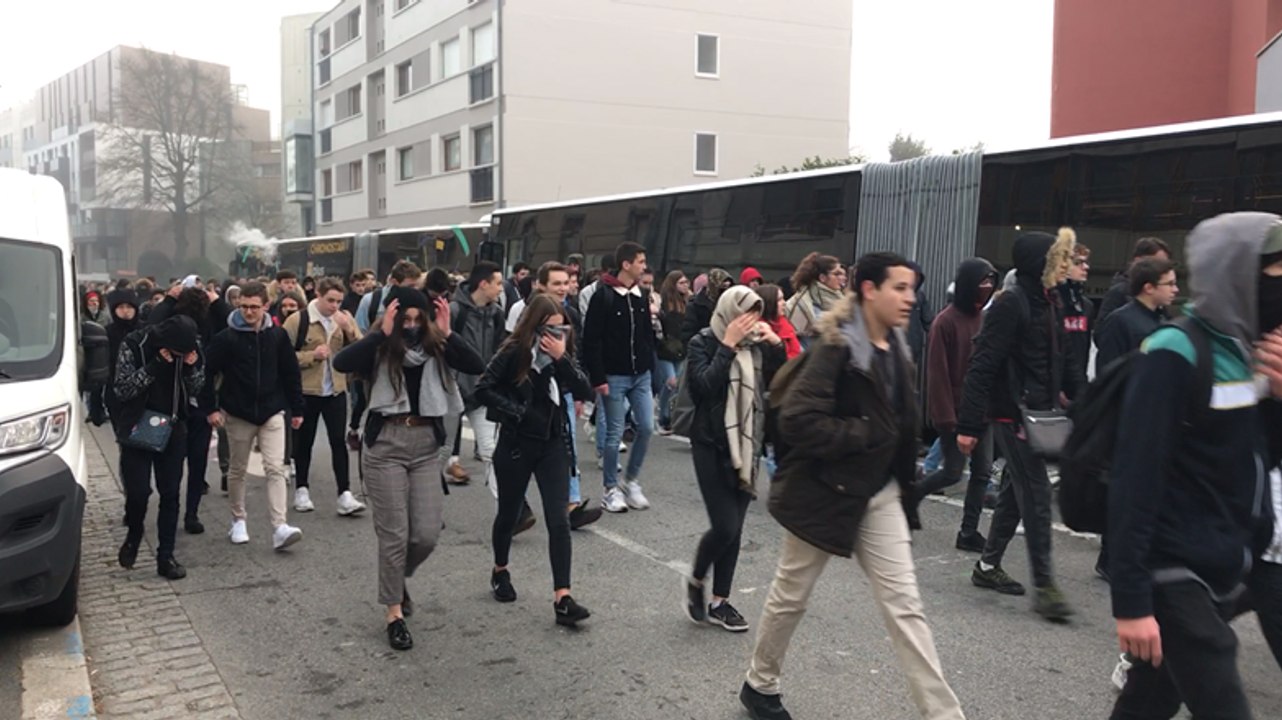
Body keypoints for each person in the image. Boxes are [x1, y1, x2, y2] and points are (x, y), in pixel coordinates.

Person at [741, 253, 965, 720]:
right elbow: (800, 419)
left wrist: (908, 483)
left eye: (912, 289)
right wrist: (862, 434)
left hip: (879, 494)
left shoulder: (897, 349)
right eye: (900, 288)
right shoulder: (837, 346)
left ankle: (944, 715)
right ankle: (760, 683)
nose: (910, 298)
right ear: (868, 290)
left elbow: (900, 429)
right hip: (824, 490)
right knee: (791, 594)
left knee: (905, 607)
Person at [1108, 213, 1282, 720]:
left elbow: (1259, 458)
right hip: (1174, 571)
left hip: (1226, 563)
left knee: (1148, 702)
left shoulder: (1246, 353)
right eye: (1276, 270)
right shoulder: (1174, 350)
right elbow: (1133, 479)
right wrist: (1133, 601)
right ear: (1235, 272)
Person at [332, 287, 485, 651]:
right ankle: (394, 613)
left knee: (427, 534)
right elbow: (342, 363)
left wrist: (448, 333)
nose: (413, 326)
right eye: (407, 320)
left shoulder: (437, 344)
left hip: (424, 445)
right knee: (394, 535)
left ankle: (396, 577)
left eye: (419, 319)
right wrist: (380, 334)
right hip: (385, 443)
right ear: (394, 317)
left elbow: (476, 365)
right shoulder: (380, 344)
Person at [956, 229, 1085, 621]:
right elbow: (982, 366)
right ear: (1040, 263)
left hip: (1042, 414)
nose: (1067, 266)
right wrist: (969, 425)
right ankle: (1046, 586)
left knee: (1016, 492)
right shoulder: (1011, 304)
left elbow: (1061, 361)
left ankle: (987, 566)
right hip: (1012, 415)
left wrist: (1080, 398)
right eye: (1059, 259)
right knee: (1037, 493)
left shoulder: (1052, 302)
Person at [476, 294, 595, 626]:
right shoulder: (515, 352)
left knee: (558, 520)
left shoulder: (561, 355)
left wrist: (561, 359)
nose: (558, 336)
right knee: (509, 513)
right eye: (552, 330)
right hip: (517, 444)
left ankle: (563, 597)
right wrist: (518, 412)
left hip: (552, 444)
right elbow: (483, 388)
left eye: (563, 330)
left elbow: (584, 389)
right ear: (537, 327)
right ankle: (500, 569)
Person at [685, 287, 785, 632]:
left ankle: (720, 602)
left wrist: (775, 344)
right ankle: (697, 579)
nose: (751, 322)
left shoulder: (757, 345)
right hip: (712, 443)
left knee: (736, 529)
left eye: (756, 313)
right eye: (746, 313)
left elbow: (782, 380)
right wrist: (726, 345)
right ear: (730, 311)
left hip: (748, 443)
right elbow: (703, 387)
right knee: (725, 525)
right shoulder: (703, 341)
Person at [204, 282, 307, 551]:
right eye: (244, 307)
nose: (249, 312)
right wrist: (211, 408)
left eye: (254, 307)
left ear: (265, 306)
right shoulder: (226, 338)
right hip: (238, 411)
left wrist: (297, 409)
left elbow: (290, 372)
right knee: (238, 469)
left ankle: (279, 526)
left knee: (276, 468)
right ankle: (238, 520)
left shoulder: (278, 336)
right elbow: (207, 373)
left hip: (272, 409)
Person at [910, 259, 998, 552]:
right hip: (955, 413)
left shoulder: (984, 319)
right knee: (952, 472)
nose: (986, 288)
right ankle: (913, 495)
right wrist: (946, 419)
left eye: (990, 282)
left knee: (983, 472)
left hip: (982, 410)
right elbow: (937, 374)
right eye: (981, 282)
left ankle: (968, 531)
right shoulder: (944, 322)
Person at [113, 316, 205, 580]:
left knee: (171, 494)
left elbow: (197, 387)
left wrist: (190, 367)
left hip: (174, 429)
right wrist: (155, 366)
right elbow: (123, 388)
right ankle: (134, 533)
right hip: (137, 426)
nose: (182, 355)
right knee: (139, 492)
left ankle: (166, 556)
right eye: (178, 352)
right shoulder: (134, 344)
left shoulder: (191, 349)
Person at [583, 242, 657, 513]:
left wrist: (652, 367)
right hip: (613, 376)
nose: (643, 266)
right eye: (640, 261)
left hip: (642, 375)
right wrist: (598, 377)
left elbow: (648, 335)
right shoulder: (603, 295)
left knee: (647, 427)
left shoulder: (642, 294)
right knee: (614, 434)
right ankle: (610, 489)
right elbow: (590, 340)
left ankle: (631, 481)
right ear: (626, 264)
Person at [283, 277, 365, 516]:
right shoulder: (298, 320)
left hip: (336, 390)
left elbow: (362, 351)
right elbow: (282, 357)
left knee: (338, 442)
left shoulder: (343, 319)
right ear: (317, 295)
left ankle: (345, 494)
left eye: (339, 301)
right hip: (308, 391)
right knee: (304, 443)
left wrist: (349, 329)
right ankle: (302, 490)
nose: (334, 306)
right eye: (330, 300)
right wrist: (311, 356)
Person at [446, 261, 507, 491]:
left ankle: (510, 513)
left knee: (491, 451)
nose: (501, 288)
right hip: (454, 391)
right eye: (498, 283)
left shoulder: (497, 314)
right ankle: (427, 508)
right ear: (483, 284)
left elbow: (501, 350)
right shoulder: (454, 311)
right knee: (441, 453)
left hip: (482, 392)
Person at [1094, 257, 1179, 374]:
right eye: (1170, 284)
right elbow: (1108, 371)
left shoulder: (1164, 320)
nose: (1175, 289)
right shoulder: (1119, 321)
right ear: (1149, 288)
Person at [1095, 236, 1173, 337]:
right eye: (1157, 262)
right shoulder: (1119, 293)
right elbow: (1102, 332)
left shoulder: (1159, 299)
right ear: (1138, 261)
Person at [784, 252, 845, 350]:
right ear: (823, 278)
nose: (842, 278)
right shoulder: (803, 303)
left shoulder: (841, 300)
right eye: (837, 274)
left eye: (843, 274)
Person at [655, 271, 690, 434]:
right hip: (665, 348)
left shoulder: (688, 302)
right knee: (671, 382)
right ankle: (664, 417)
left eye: (686, 282)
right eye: (681, 283)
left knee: (675, 384)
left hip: (680, 348)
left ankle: (668, 415)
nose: (685, 285)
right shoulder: (664, 303)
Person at [104, 287, 142, 433]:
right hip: (115, 394)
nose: (125, 311)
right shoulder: (107, 333)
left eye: (129, 307)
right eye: (121, 307)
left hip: (142, 394)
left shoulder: (145, 330)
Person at [1058, 244, 1094, 392]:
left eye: (1086, 262)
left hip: (1078, 384)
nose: (1085, 267)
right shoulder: (1051, 302)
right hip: (1052, 385)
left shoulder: (1087, 306)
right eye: (1078, 263)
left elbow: (1084, 349)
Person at [357, 261, 422, 333]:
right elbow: (360, 333)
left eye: (417, 286)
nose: (415, 290)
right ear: (394, 282)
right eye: (410, 286)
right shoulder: (370, 300)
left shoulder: (420, 300)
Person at [682, 268, 732, 345]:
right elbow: (688, 334)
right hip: (705, 349)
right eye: (723, 286)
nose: (727, 290)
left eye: (729, 286)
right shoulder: (695, 305)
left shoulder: (732, 304)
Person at [756, 284, 801, 360]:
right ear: (769, 303)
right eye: (779, 300)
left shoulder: (785, 325)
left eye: (783, 299)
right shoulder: (758, 330)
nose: (784, 303)